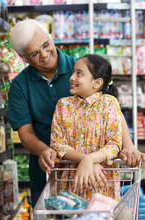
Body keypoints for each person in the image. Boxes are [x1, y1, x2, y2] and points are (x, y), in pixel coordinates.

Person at [8, 19, 145, 208]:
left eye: (46, 45)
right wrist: (45, 151)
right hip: (53, 169)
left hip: (100, 172)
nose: (44, 54)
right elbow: (25, 133)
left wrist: (128, 145)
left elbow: (113, 112)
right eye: (34, 53)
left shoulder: (82, 68)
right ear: (23, 57)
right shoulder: (19, 86)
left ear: (50, 37)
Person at [50, 54, 122, 201]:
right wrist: (87, 160)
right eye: (73, 72)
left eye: (79, 73)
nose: (72, 78)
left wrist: (91, 160)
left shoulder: (109, 104)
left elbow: (114, 144)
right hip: (69, 185)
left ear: (97, 83)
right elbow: (57, 143)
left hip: (102, 184)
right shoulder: (63, 105)